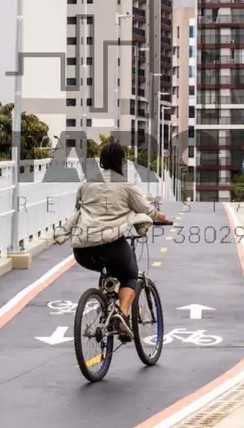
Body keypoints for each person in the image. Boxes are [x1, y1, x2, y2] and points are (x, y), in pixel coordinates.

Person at [54, 141, 169, 341]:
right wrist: (161, 217)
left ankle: (104, 299)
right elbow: (146, 210)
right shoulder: (126, 186)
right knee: (130, 276)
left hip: (82, 250)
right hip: (111, 244)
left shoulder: (86, 183)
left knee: (106, 269)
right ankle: (122, 315)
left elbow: (77, 210)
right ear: (122, 162)